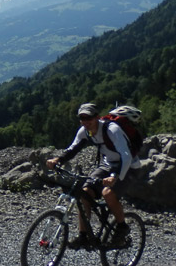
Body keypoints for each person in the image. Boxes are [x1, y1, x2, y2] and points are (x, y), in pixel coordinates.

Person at [45, 103, 142, 249]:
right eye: (82, 118)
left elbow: (126, 156)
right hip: (107, 164)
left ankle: (122, 228)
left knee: (108, 193)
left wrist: (115, 177)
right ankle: (83, 237)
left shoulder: (112, 130)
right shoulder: (84, 131)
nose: (85, 121)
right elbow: (73, 148)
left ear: (97, 117)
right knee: (84, 193)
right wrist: (58, 160)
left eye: (88, 117)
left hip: (128, 167)